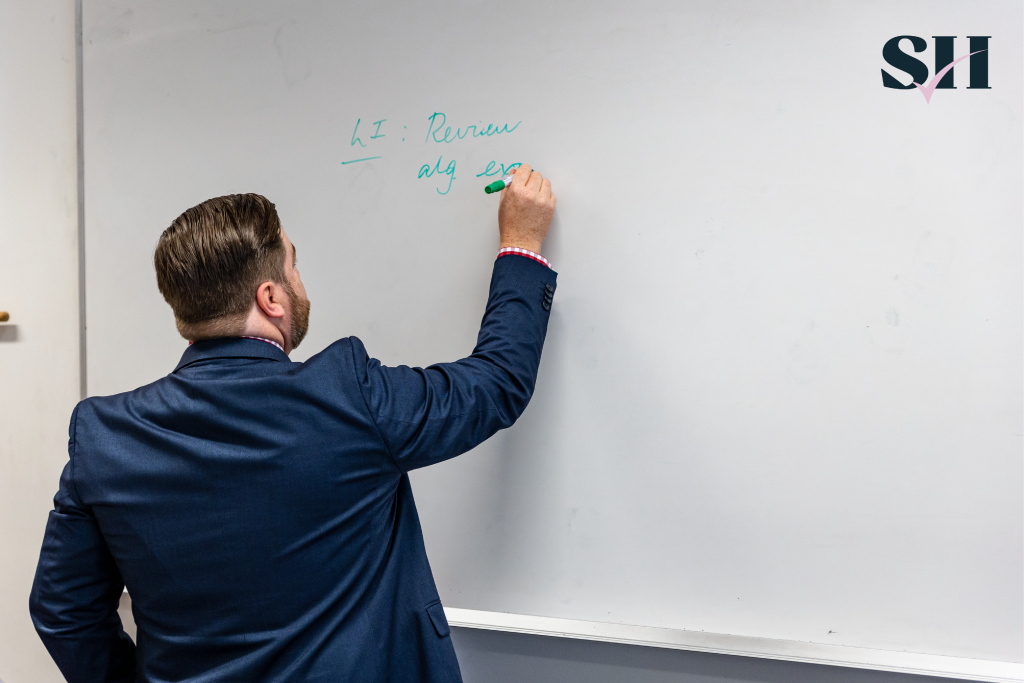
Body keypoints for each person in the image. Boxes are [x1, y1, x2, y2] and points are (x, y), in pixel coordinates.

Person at [29, 164, 557, 683]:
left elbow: (63, 611)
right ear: (271, 297)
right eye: (294, 266)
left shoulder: (105, 436)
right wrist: (522, 243)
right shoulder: (346, 397)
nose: (300, 282)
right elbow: (495, 383)